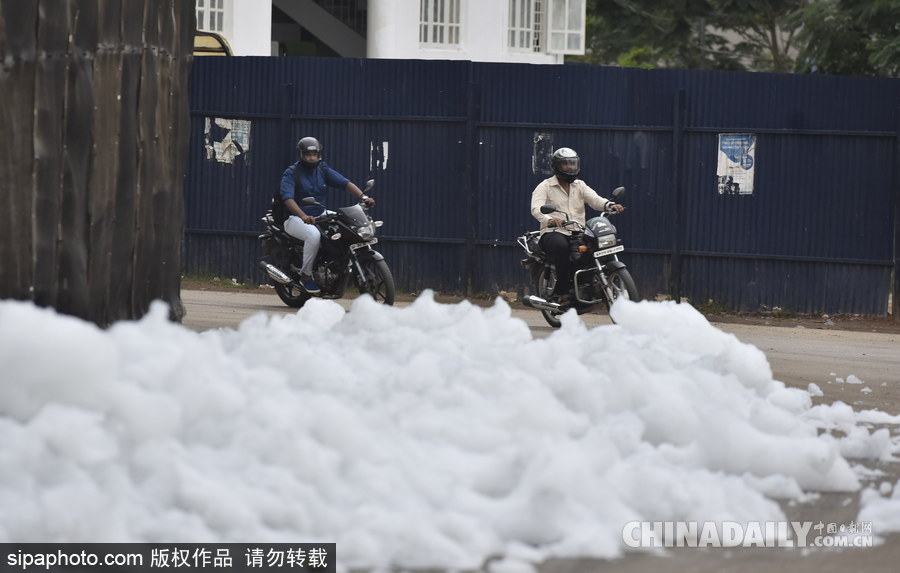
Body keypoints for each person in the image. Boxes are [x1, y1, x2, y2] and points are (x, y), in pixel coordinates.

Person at [275, 136, 374, 294]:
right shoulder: (292, 173)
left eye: (314, 154)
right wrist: (303, 216)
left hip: (320, 213)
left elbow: (344, 183)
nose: (312, 157)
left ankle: (340, 265)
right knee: (314, 235)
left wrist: (363, 197)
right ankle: (306, 276)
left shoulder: (322, 169)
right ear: (301, 155)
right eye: (308, 154)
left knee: (348, 224)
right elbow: (288, 199)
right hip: (295, 218)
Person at [530, 147, 624, 305]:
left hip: (578, 231)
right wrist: (549, 219)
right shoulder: (545, 186)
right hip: (554, 231)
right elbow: (536, 208)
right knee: (562, 247)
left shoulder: (579, 185)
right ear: (556, 166)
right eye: (566, 164)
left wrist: (609, 205)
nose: (570, 167)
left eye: (572, 164)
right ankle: (563, 292)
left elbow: (594, 199)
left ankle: (592, 282)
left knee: (596, 247)